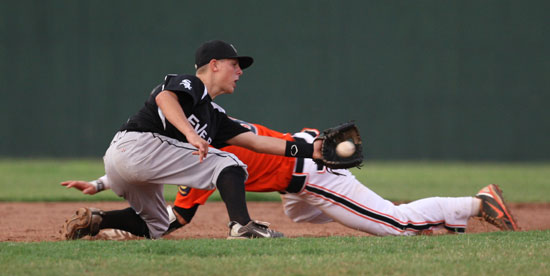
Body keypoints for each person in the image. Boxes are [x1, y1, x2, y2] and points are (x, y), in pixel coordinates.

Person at [63, 118, 518, 239]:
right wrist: (101, 184)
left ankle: (479, 203)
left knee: (393, 224)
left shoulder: (202, 162)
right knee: (300, 216)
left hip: (313, 175)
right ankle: (424, 219)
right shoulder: (214, 130)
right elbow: (158, 164)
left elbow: (174, 220)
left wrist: (108, 221)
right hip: (297, 173)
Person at [60, 40, 324, 240]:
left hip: (124, 160)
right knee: (229, 163)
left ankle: (96, 220)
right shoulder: (193, 84)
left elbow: (256, 143)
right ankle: (241, 226)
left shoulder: (215, 115)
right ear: (214, 65)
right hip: (139, 144)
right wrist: (190, 133)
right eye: (234, 65)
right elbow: (164, 98)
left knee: (158, 226)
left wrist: (310, 150)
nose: (240, 72)